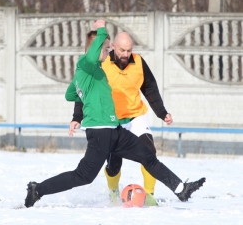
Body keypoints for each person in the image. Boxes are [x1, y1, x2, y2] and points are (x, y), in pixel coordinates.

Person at [24, 20, 205, 208]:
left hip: (114, 130)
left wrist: (85, 93)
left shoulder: (96, 73)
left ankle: (181, 189)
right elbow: (80, 80)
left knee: (148, 156)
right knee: (83, 176)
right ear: (93, 50)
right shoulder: (86, 64)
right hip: (99, 133)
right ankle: (37, 190)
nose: (107, 52)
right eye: (104, 49)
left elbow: (70, 94)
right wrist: (101, 28)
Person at [69, 31, 172, 206]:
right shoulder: (100, 63)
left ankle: (149, 195)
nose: (126, 54)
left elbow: (150, 88)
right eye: (122, 50)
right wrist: (77, 116)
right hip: (111, 120)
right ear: (113, 47)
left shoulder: (139, 62)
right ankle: (114, 192)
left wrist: (162, 112)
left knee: (149, 153)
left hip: (135, 116)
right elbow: (85, 91)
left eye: (129, 50)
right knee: (114, 164)